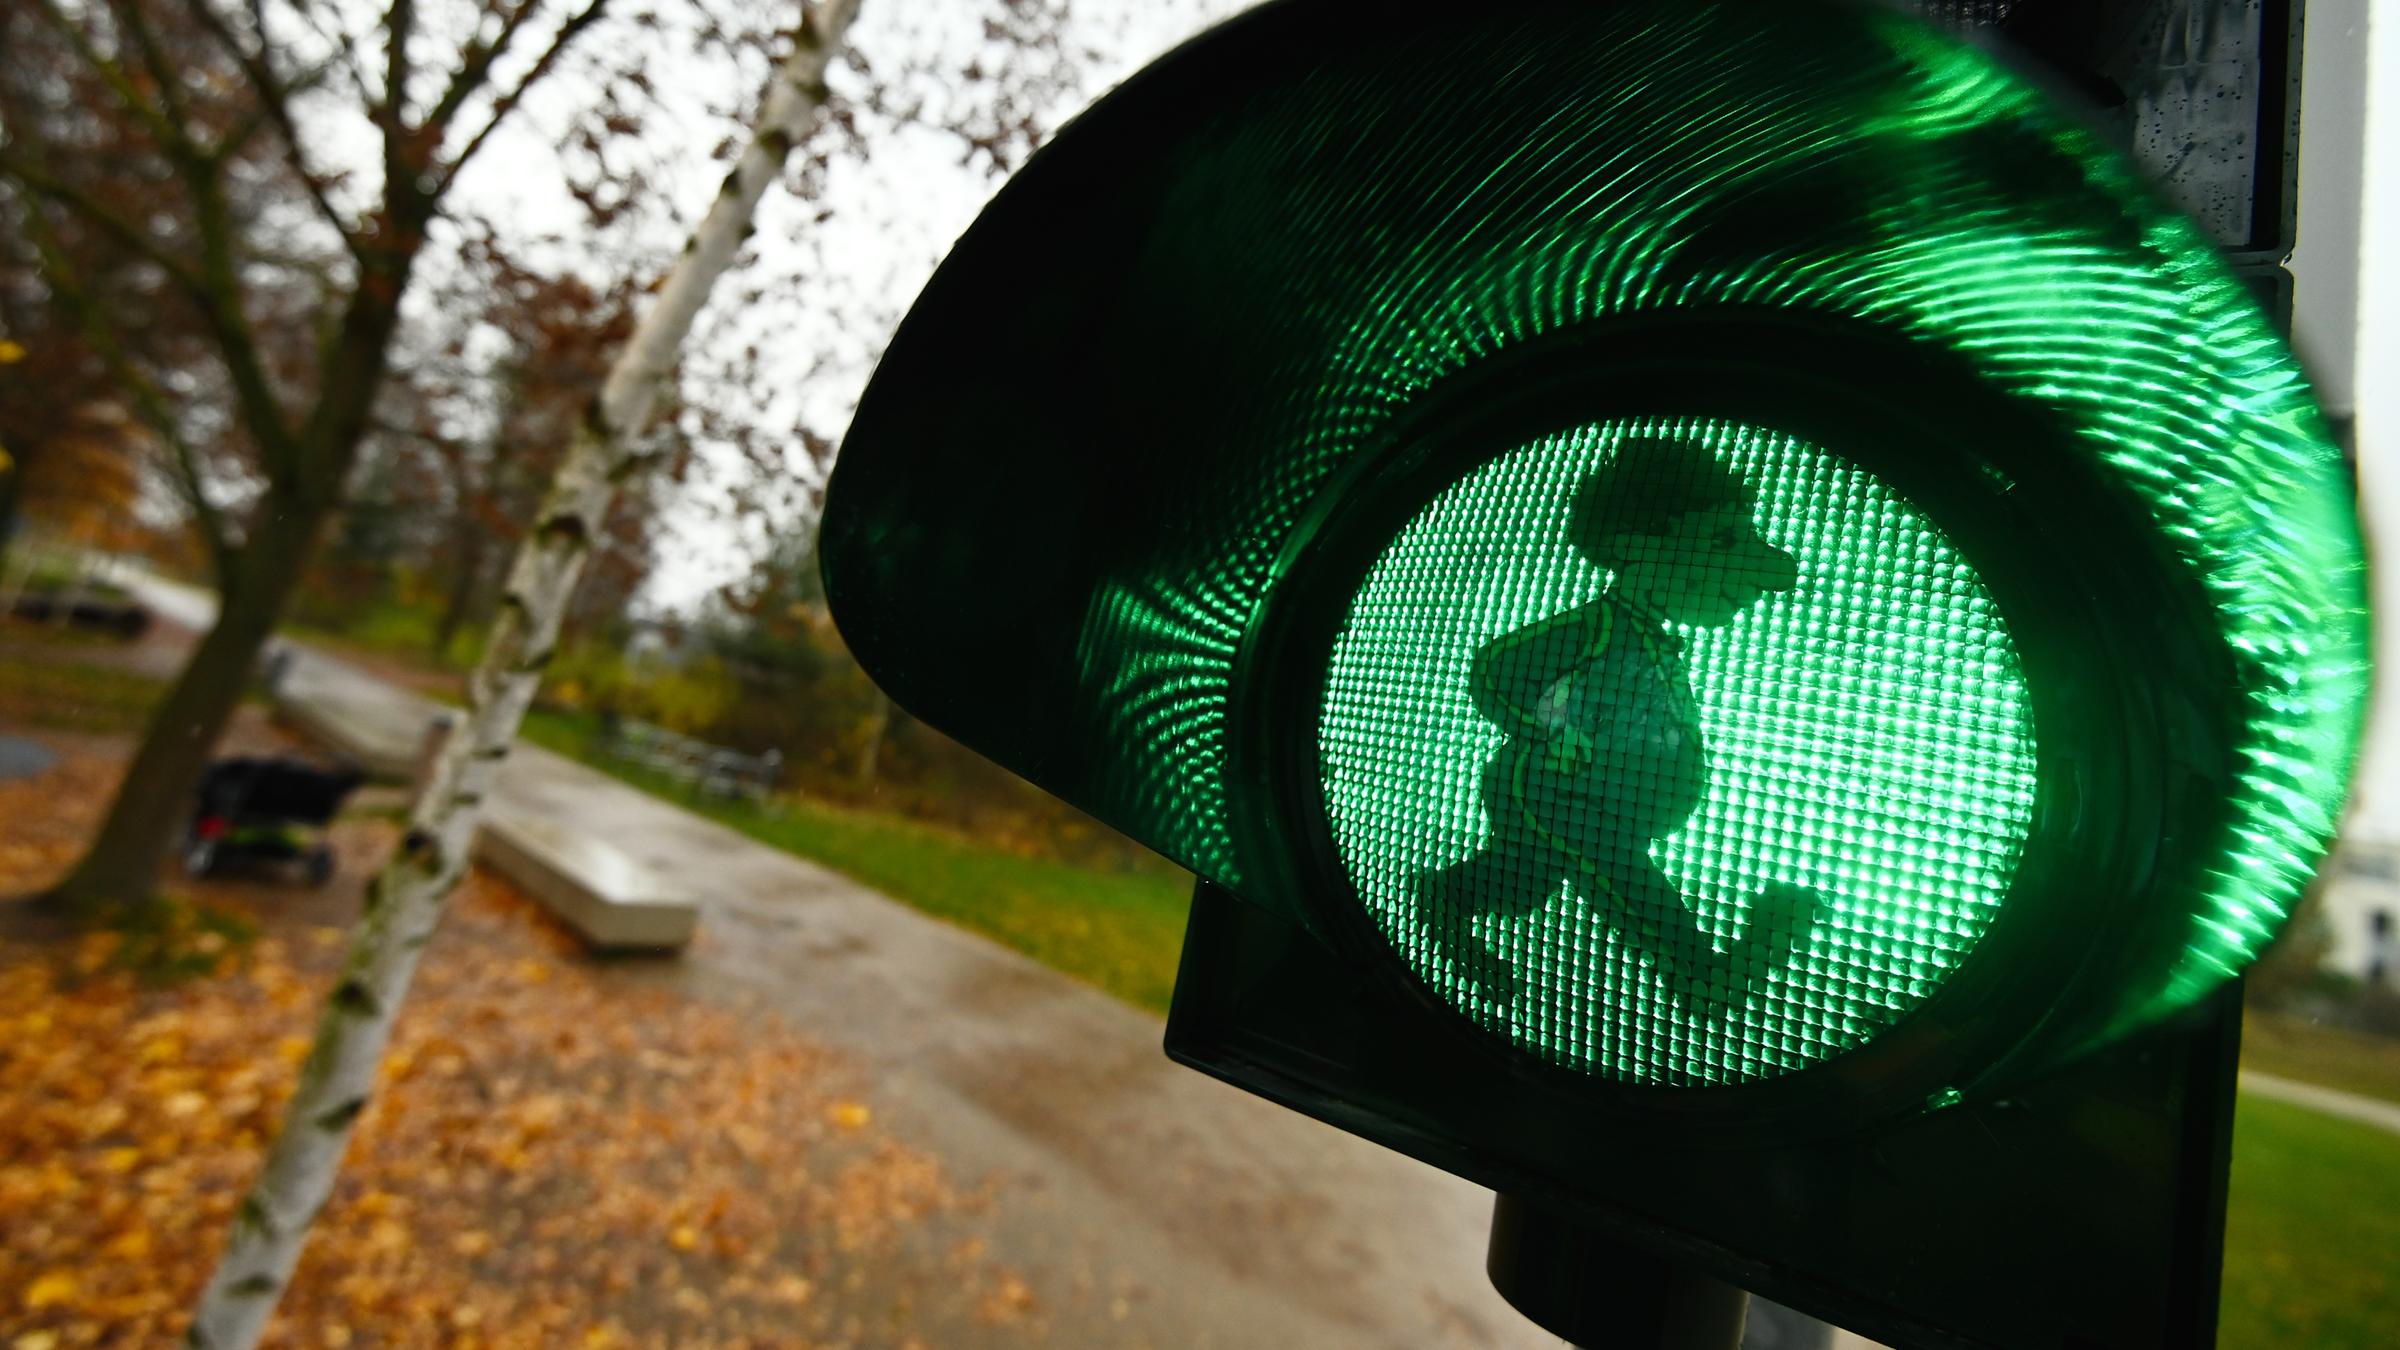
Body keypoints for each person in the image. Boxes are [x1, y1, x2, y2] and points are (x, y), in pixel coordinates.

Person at [1413, 436, 1825, 1014]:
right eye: (1725, 538)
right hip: (1576, 804)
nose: (1771, 572)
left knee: (1520, 882)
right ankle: (1709, 975)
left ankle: (1444, 902)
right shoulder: (1597, 628)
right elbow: (1496, 673)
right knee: (1637, 902)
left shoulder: (1652, 640)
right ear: (1634, 544)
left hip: (1604, 805)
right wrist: (1558, 736)